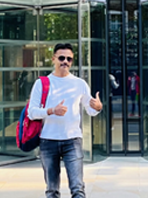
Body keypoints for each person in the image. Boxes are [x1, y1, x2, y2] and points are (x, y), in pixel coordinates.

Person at [28, 43, 102, 198]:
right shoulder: (42, 83)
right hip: (48, 141)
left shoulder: (79, 83)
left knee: (78, 189)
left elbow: (90, 110)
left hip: (72, 140)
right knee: (52, 190)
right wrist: (52, 111)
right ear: (53, 58)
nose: (65, 62)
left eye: (69, 59)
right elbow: (32, 113)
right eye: (61, 58)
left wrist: (98, 107)